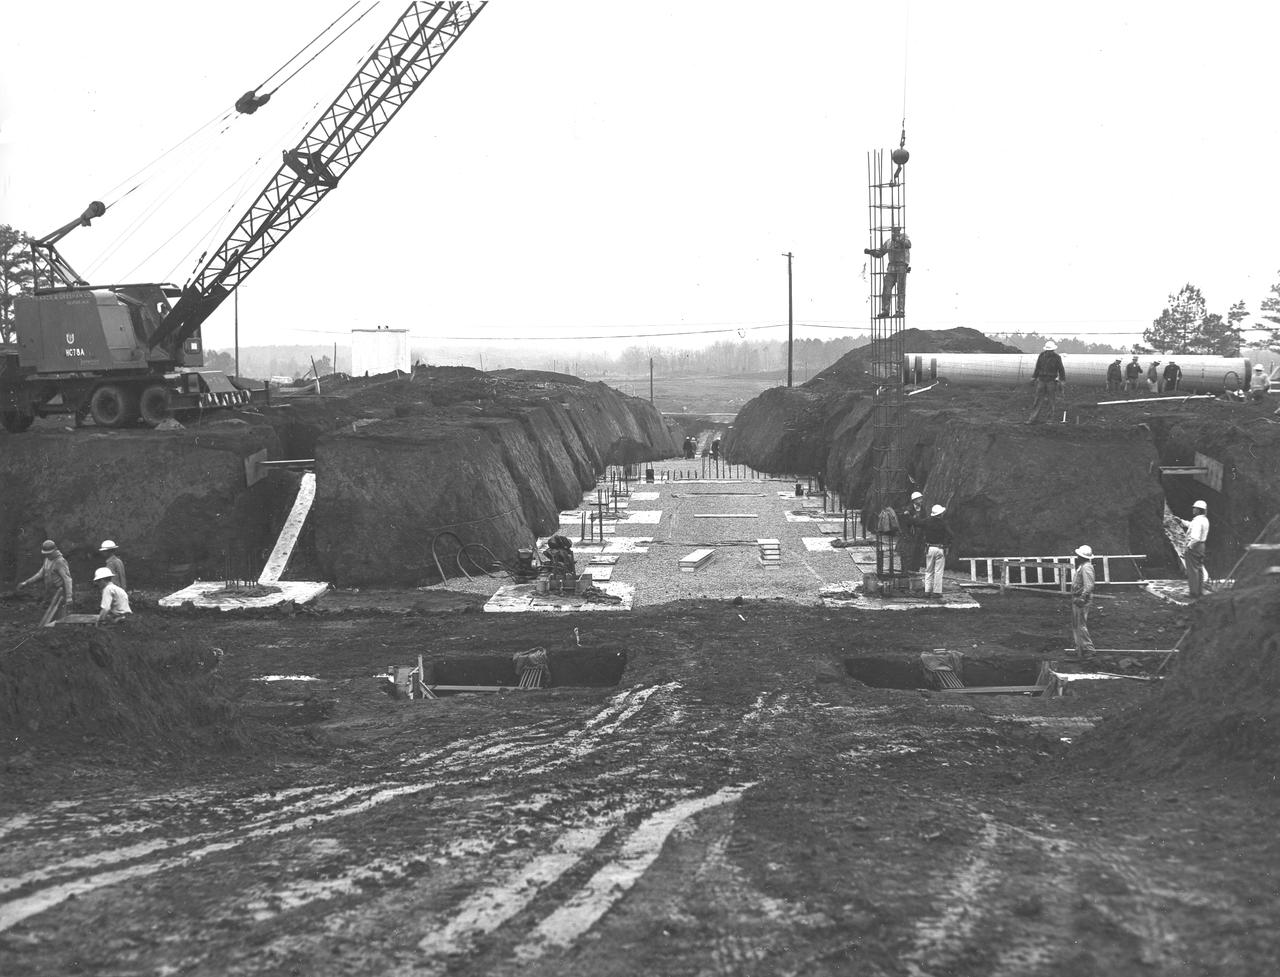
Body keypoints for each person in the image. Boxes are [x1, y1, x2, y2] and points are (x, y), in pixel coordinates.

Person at [18, 539, 73, 626]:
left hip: (60, 594)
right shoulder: (47, 560)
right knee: (49, 615)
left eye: (49, 553)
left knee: (59, 616)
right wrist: (26, 582)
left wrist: (69, 596)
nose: (48, 555)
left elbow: (67, 579)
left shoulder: (60, 561)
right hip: (50, 593)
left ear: (55, 550)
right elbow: (40, 574)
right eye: (46, 554)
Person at [864, 225, 911, 318]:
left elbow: (908, 245)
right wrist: (871, 252)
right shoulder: (889, 242)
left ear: (899, 231)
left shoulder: (905, 239)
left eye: (896, 230)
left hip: (901, 266)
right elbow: (880, 253)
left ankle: (900, 311)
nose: (894, 232)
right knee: (886, 289)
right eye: (893, 230)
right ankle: (885, 310)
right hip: (891, 267)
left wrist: (898, 240)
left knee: (900, 290)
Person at [1026, 340, 1066, 424]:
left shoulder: (1057, 357)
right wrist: (1034, 377)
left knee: (1051, 401)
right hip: (1041, 380)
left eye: (1050, 351)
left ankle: (1049, 420)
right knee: (1038, 400)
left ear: (1053, 350)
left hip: (1051, 381)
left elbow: (1061, 370)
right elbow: (1037, 367)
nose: (1049, 352)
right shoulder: (1041, 356)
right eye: (1048, 350)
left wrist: (1062, 380)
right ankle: (1033, 419)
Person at [1069, 544, 1097, 661]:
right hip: (1077, 597)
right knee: (1076, 624)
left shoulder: (1087, 567)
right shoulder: (1082, 566)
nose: (1076, 557)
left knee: (1081, 624)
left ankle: (1088, 649)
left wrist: (1082, 597)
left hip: (1082, 599)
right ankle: (1080, 648)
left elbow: (1089, 585)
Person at [920, 503, 953, 598]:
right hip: (940, 548)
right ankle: (937, 592)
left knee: (928, 570)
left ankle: (927, 591)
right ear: (940, 514)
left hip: (929, 548)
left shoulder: (927, 521)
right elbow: (951, 535)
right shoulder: (943, 523)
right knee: (938, 571)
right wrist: (947, 544)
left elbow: (918, 523)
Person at [1181, 500, 1210, 599]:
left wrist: (1189, 546)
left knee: (1192, 570)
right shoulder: (1204, 520)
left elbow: (1196, 537)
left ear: (1198, 510)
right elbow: (1192, 526)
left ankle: (1193, 593)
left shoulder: (1197, 521)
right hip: (1201, 546)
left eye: (1195, 508)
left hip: (1195, 546)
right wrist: (1182, 522)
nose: (1193, 510)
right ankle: (1199, 591)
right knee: (1199, 569)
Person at [897, 491, 926, 572]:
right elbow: (906, 524)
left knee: (918, 555)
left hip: (919, 537)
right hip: (910, 536)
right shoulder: (908, 510)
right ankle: (906, 573)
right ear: (914, 500)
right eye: (919, 499)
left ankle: (915, 571)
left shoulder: (923, 509)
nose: (921, 500)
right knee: (907, 555)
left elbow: (924, 520)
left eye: (921, 498)